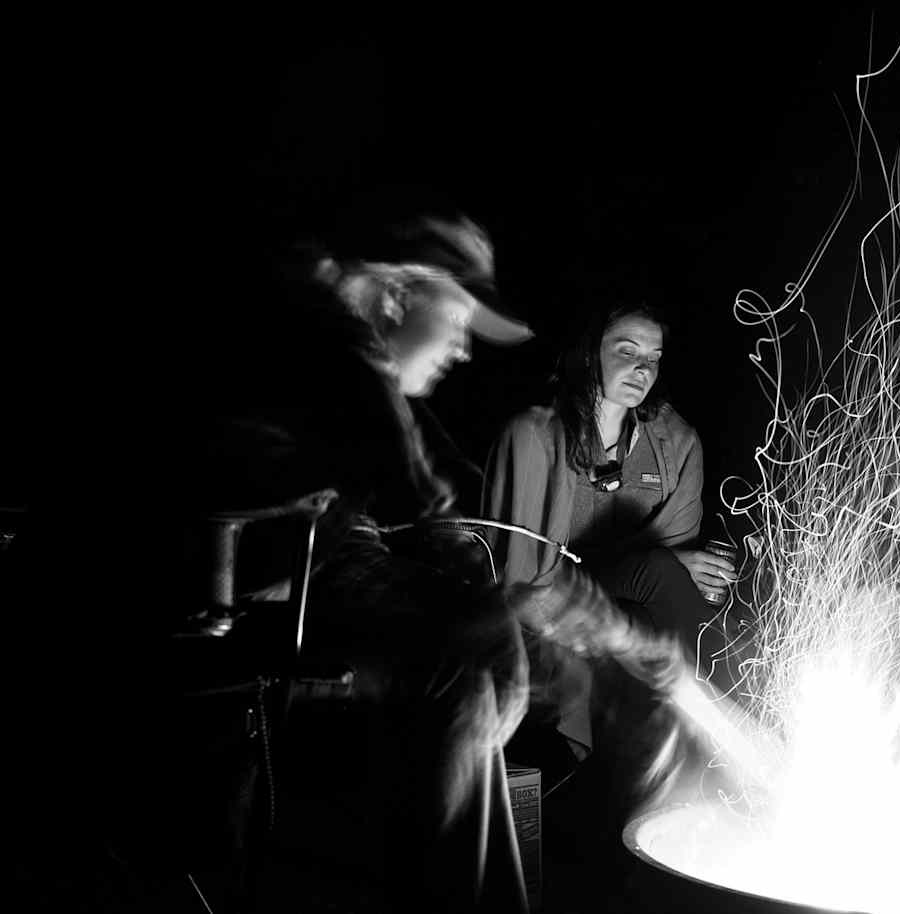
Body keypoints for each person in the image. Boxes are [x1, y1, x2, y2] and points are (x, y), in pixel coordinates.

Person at [189, 203, 545, 913]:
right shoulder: (329, 337)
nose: (466, 349)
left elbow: (436, 480)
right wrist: (574, 623)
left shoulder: (345, 349)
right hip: (231, 595)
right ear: (394, 293)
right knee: (460, 665)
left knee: (473, 665)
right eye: (458, 318)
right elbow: (414, 491)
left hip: (305, 575)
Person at [484, 302, 737, 747]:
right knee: (657, 572)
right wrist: (654, 562)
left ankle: (703, 737)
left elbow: (678, 575)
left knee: (654, 606)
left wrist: (685, 566)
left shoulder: (675, 442)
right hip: (546, 600)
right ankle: (741, 710)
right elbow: (521, 578)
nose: (643, 368)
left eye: (654, 358)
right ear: (589, 354)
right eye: (627, 350)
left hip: (627, 601)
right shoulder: (534, 434)